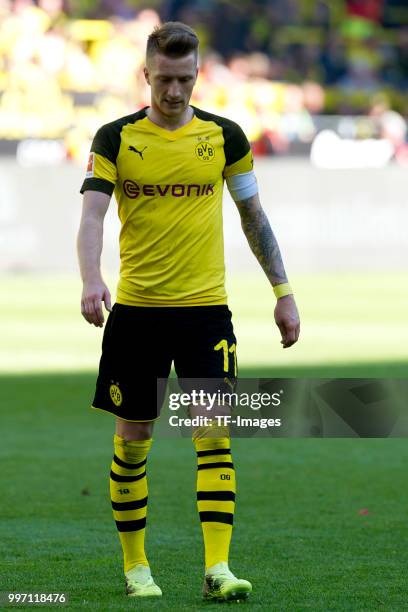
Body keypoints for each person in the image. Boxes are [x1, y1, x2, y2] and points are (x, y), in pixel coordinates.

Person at [77, 21, 300, 602]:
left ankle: (218, 570)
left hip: (206, 314)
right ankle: (136, 570)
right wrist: (90, 277)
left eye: (186, 78)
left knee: (214, 436)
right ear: (145, 74)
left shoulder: (224, 137)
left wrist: (283, 290)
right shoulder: (115, 138)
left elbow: (254, 217)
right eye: (165, 79)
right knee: (134, 439)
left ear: (198, 74)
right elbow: (93, 217)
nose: (175, 91)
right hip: (139, 315)